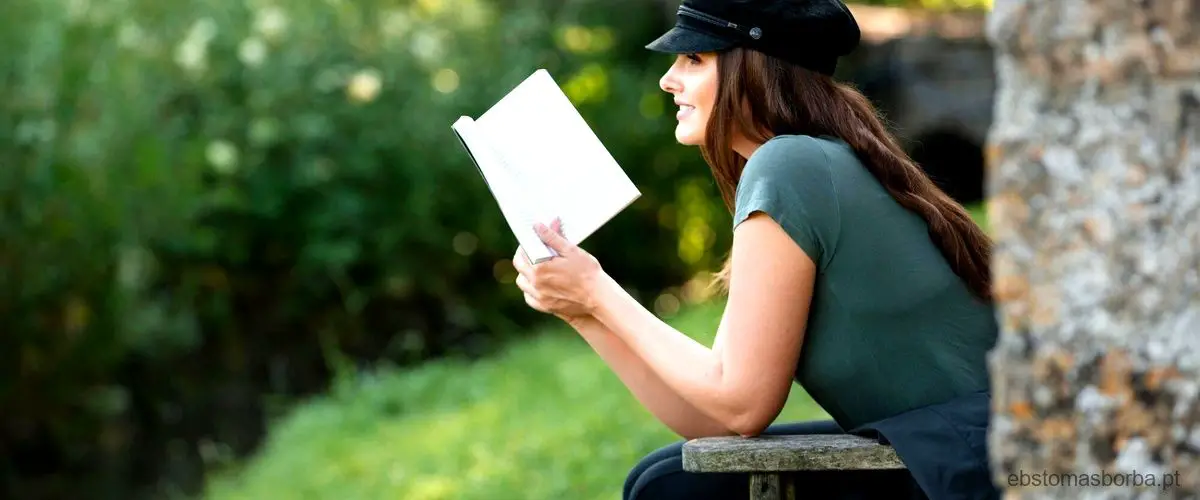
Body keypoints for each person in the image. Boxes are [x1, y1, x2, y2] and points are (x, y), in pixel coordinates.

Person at [510, 0, 1001, 498]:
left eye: (694, 59)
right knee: (667, 476)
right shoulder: (815, 159)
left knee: (670, 488)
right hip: (956, 451)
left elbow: (741, 404)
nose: (668, 79)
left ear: (754, 67)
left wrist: (595, 291)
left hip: (978, 464)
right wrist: (583, 311)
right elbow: (715, 419)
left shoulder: (789, 165)